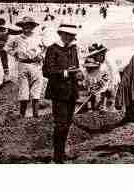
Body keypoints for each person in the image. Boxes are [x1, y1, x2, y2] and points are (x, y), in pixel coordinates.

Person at [43, 22, 82, 163]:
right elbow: (46, 71)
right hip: (58, 92)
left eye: (73, 36)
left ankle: (61, 153)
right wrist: (66, 72)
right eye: (70, 35)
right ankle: (58, 155)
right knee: (60, 124)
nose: (72, 38)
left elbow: (76, 66)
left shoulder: (73, 49)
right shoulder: (52, 49)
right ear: (62, 35)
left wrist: (79, 73)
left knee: (67, 123)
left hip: (71, 91)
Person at [4, 16, 45, 118]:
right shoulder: (17, 38)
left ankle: (36, 115)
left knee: (36, 90)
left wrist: (42, 55)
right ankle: (22, 115)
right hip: (23, 64)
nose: (27, 28)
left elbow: (47, 48)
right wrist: (15, 53)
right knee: (23, 90)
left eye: (29, 25)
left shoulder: (39, 37)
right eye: (24, 25)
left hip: (36, 65)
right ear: (21, 27)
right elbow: (6, 48)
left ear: (33, 26)